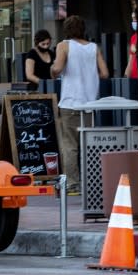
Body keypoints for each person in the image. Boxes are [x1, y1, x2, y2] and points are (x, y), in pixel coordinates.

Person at [51, 15, 109, 194]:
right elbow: (105, 73)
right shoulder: (93, 48)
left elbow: (58, 68)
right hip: (89, 104)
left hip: (70, 103)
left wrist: (52, 70)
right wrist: (89, 80)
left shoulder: (64, 45)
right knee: (88, 145)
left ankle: (73, 185)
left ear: (66, 30)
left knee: (69, 145)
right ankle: (91, 182)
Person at [123, 11, 138, 79]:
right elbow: (130, 61)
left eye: (135, 18)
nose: (134, 21)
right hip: (133, 78)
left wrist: (137, 50)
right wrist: (125, 77)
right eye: (133, 19)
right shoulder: (133, 37)